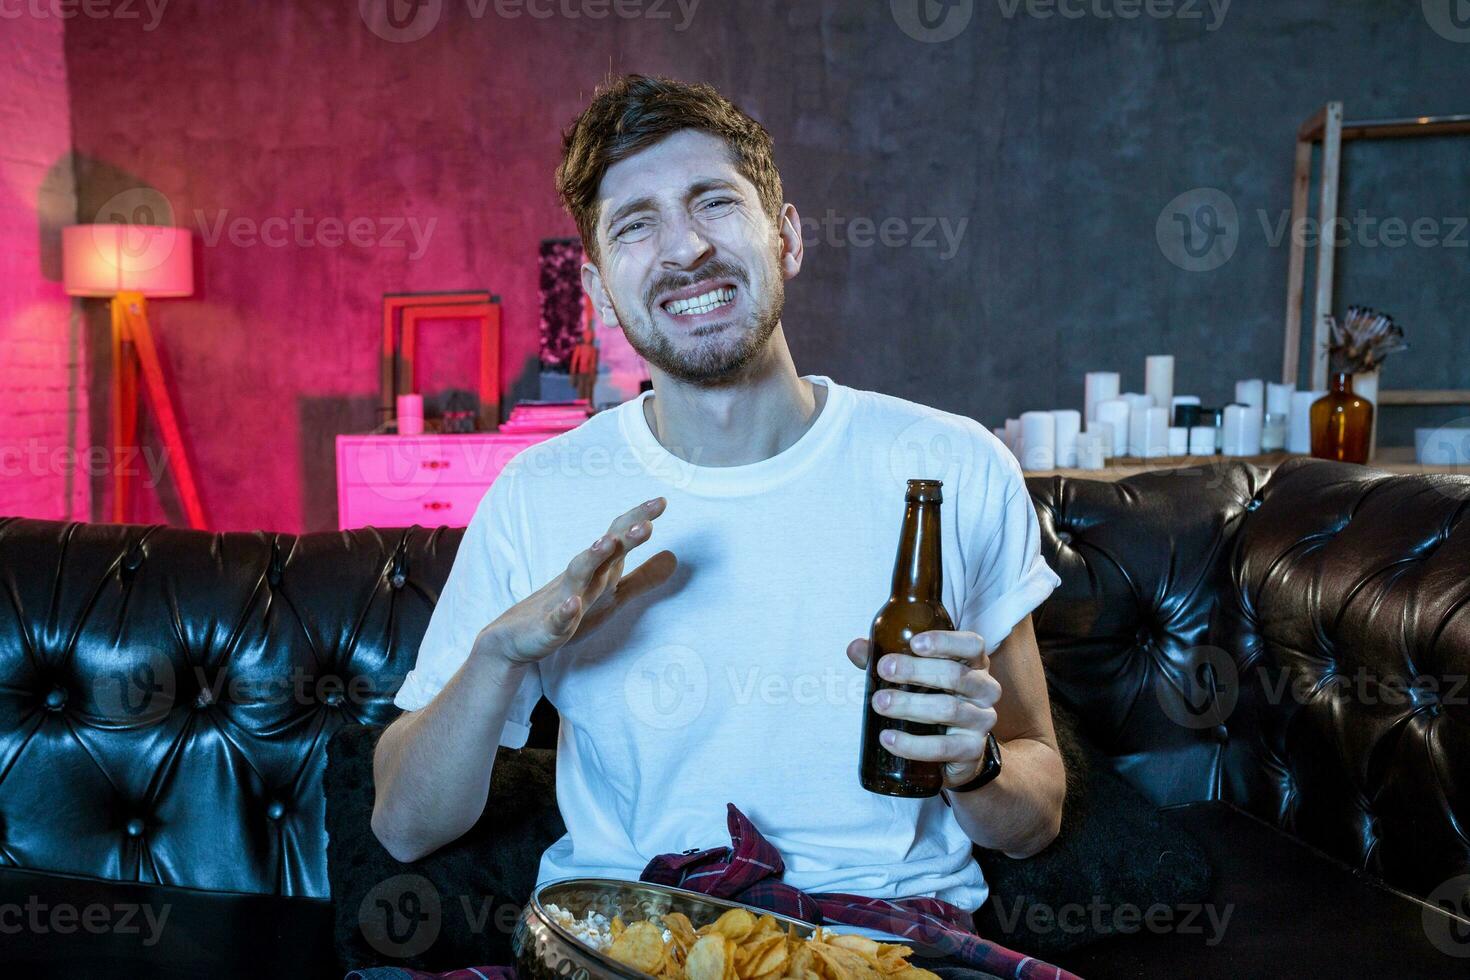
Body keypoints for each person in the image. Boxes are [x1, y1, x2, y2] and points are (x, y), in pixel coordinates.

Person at [371, 74, 1067, 975]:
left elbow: (1037, 814)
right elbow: (401, 826)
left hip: (885, 944)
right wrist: (500, 656)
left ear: (786, 236)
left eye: (714, 204)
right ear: (599, 290)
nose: (686, 249)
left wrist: (973, 766)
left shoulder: (956, 466)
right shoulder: (539, 493)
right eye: (636, 225)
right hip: (627, 943)